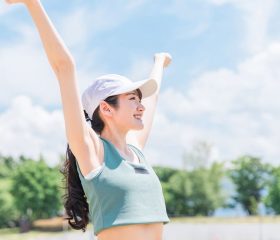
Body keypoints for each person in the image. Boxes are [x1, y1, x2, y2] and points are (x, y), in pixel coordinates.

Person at [6, 0, 172, 239]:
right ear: (106, 108)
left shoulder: (135, 150)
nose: (141, 107)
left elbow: (153, 97)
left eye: (139, 99)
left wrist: (159, 63)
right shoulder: (92, 150)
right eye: (132, 99)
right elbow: (64, 67)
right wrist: (32, 3)